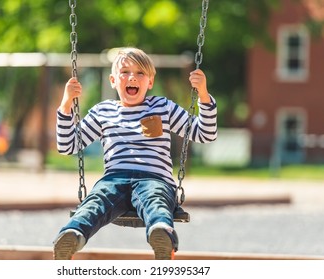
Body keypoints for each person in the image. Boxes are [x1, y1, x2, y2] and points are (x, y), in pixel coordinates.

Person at [54, 47, 217, 260]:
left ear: (149, 82)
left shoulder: (162, 107)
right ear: (113, 80)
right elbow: (68, 145)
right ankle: (72, 235)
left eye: (140, 73)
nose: (132, 77)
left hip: (155, 178)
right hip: (114, 178)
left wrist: (203, 95)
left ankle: (161, 235)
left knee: (155, 200)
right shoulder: (103, 111)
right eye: (125, 72)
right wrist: (66, 104)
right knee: (96, 201)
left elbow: (204, 133)